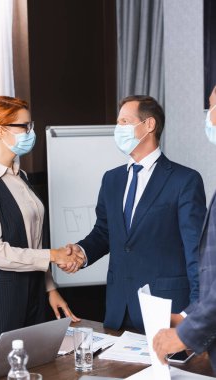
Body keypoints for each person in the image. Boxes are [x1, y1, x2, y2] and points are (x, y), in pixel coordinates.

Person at [60, 95, 206, 332]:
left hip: (166, 312)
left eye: (125, 122)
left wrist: (194, 312)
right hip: (118, 310)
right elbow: (104, 232)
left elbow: (196, 252)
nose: (119, 129)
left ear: (149, 125)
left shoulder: (185, 181)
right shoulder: (112, 179)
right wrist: (82, 252)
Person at [0, 95, 84, 344]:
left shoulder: (22, 177)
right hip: (0, 302)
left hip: (33, 295)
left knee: (36, 366)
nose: (30, 132)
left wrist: (50, 289)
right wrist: (54, 255)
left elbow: (34, 242)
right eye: (24, 127)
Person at [153, 86, 216, 373]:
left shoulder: (184, 180)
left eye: (212, 106)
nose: (209, 115)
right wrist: (189, 319)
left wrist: (184, 334)